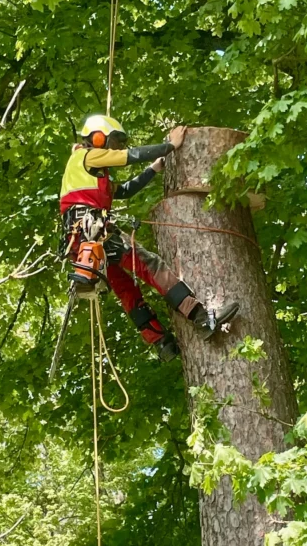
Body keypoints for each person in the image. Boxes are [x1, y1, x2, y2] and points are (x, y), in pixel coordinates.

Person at [59, 114, 239, 361]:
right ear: (98, 138)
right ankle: (200, 317)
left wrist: (154, 168)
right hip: (95, 232)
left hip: (82, 242)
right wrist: (170, 146)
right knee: (150, 265)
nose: (116, 150)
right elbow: (131, 155)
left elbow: (125, 190)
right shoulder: (87, 155)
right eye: (113, 143)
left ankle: (161, 342)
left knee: (126, 289)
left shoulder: (88, 171)